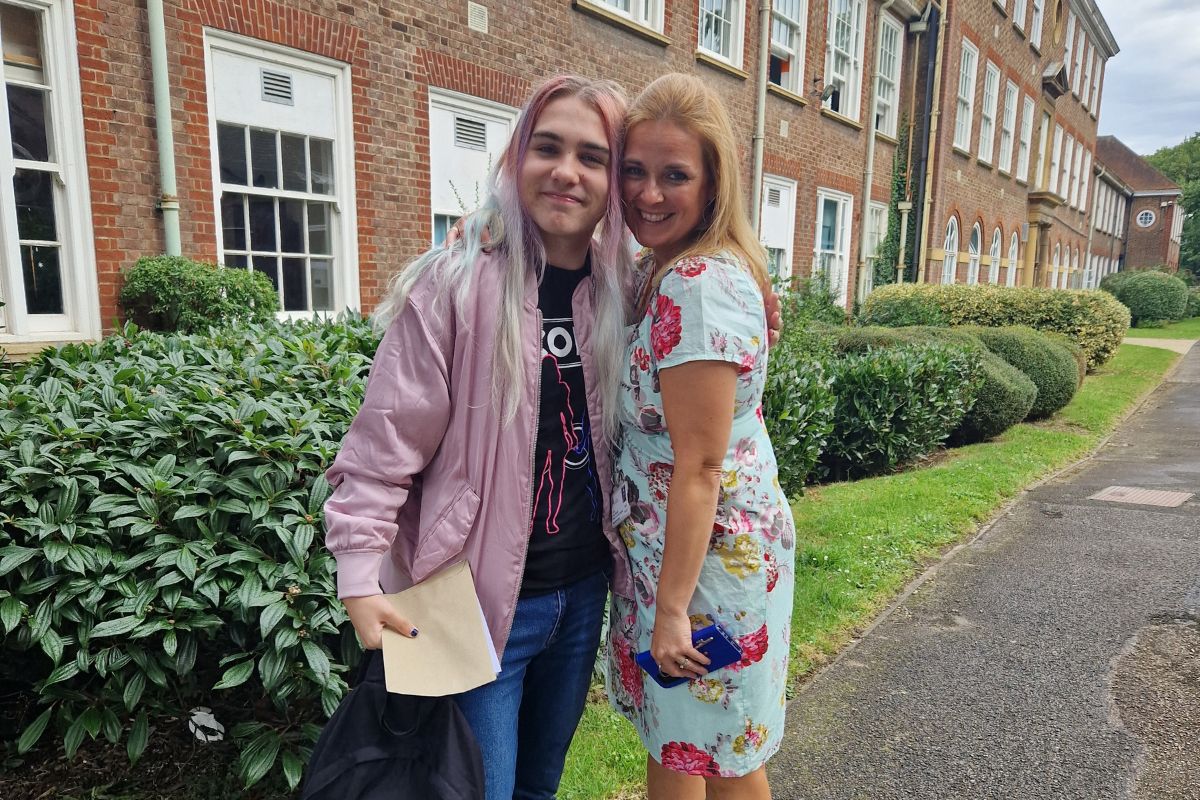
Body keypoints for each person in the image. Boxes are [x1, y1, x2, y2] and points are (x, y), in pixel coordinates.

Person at [322, 75, 636, 800]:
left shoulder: (624, 291)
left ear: (613, 182)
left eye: (592, 157)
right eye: (547, 148)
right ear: (517, 158)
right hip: (466, 602)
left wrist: (749, 291)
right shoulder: (456, 283)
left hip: (580, 597)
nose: (566, 171)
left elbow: (701, 300)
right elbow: (385, 442)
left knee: (537, 789)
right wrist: (359, 576)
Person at [604, 73, 795, 800]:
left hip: (704, 566)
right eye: (634, 170)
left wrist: (672, 610)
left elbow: (701, 467)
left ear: (714, 182)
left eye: (675, 175)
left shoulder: (698, 286)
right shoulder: (663, 267)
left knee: (714, 753)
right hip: (687, 554)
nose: (648, 193)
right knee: (691, 743)